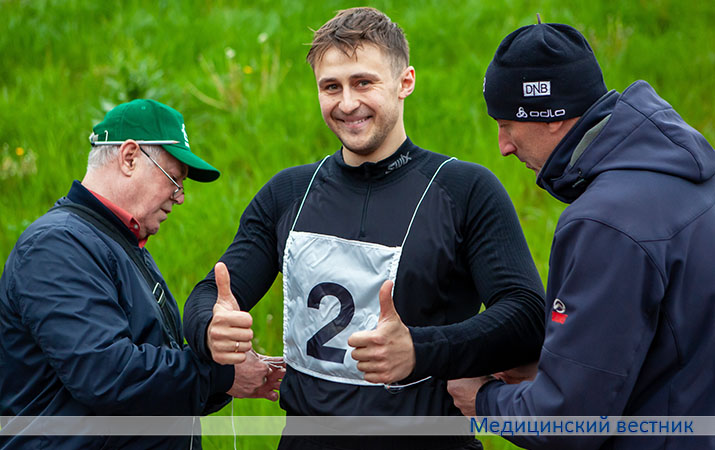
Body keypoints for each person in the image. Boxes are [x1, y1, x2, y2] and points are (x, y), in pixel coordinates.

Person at [183, 7, 545, 450]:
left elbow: (526, 314)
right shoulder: (288, 192)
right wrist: (208, 327)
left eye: (363, 82)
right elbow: (210, 294)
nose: (347, 102)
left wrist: (420, 349)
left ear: (404, 82)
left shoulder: (464, 190)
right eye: (330, 87)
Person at [448, 20, 715, 450]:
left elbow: (571, 421)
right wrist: (551, 370)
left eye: (506, 123)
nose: (503, 145)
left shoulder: (604, 224)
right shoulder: (687, 174)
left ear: (551, 117)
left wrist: (483, 400)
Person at [0, 99, 283, 449]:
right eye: (174, 178)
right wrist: (219, 375)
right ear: (129, 157)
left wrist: (227, 369)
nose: (179, 197)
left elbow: (151, 379)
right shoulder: (56, 245)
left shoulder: (115, 244)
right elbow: (106, 375)